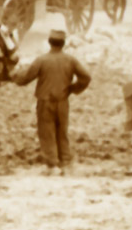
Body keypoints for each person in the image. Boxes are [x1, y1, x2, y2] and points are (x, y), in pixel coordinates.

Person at [12, 30, 92, 175]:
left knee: (46, 131)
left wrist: (13, 76)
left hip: (45, 102)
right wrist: (72, 89)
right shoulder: (71, 60)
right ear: (63, 43)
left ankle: (52, 165)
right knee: (62, 131)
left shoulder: (41, 60)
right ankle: (66, 162)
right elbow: (86, 77)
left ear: (49, 42)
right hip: (63, 102)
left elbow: (25, 79)